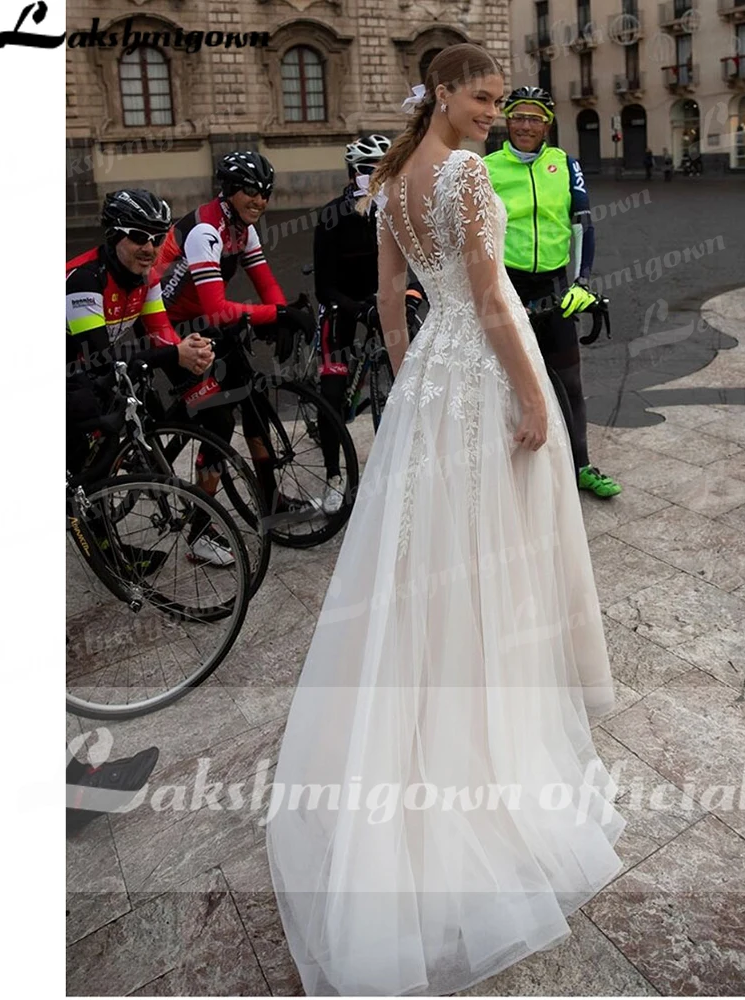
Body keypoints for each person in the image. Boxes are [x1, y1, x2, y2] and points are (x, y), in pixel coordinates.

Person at [267, 44, 625, 997]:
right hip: (482, 368)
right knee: (492, 552)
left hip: (433, 376)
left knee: (433, 555)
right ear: (445, 95)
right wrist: (530, 395)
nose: (495, 112)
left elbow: (393, 297)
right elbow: (490, 294)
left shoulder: (388, 180)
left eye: (500, 99)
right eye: (482, 96)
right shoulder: (462, 172)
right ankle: (489, 744)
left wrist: (414, 366)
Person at [152, 150, 317, 521]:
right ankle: (199, 526)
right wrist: (278, 313)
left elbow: (265, 282)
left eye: (265, 192)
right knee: (219, 420)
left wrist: (281, 317)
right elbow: (217, 309)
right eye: (250, 191)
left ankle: (270, 500)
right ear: (228, 191)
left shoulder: (243, 229)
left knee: (254, 395)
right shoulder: (205, 231)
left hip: (203, 323)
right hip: (168, 330)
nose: (259, 200)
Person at [483, 85, 622, 498]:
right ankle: (512, 474)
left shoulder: (565, 163)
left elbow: (582, 224)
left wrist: (581, 282)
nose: (527, 125)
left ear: (547, 123)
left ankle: (580, 466)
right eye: (519, 116)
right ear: (508, 120)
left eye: (536, 117)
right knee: (506, 383)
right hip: (507, 286)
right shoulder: (486, 167)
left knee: (569, 382)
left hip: (555, 285)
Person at [65, 191, 214, 504]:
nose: (150, 248)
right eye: (138, 237)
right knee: (84, 470)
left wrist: (192, 353)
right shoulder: (84, 280)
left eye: (158, 239)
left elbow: (161, 334)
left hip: (82, 375)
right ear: (114, 235)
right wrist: (176, 354)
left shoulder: (146, 277)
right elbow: (101, 358)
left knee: (101, 460)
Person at [312, 134, 426, 514]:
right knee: (331, 394)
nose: (374, 177)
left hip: (386, 300)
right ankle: (333, 475)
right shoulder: (332, 216)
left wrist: (411, 293)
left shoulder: (396, 208)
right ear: (350, 173)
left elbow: (419, 261)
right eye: (366, 170)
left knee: (414, 379)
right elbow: (323, 287)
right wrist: (358, 311)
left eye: (383, 169)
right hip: (344, 305)